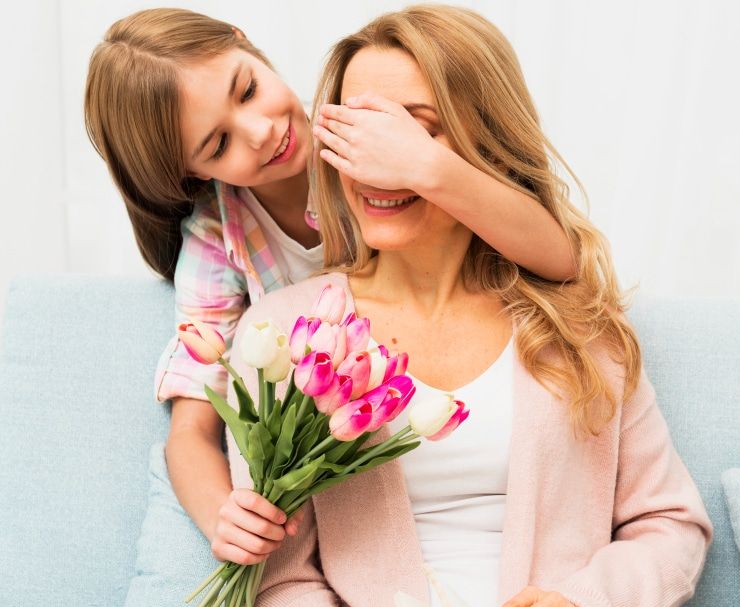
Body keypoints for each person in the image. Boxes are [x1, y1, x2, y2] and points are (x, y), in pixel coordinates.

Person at [225, 6, 712, 607]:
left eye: (414, 134)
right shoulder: (283, 336)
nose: (376, 164)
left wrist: (586, 605)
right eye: (356, 130)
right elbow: (274, 584)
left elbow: (670, 525)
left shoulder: (573, 324)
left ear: (480, 146)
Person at [83, 8, 577, 568]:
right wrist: (225, 516)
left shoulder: (364, 139)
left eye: (247, 89)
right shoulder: (219, 236)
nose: (262, 131)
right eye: (218, 145)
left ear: (247, 43)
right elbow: (191, 430)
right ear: (191, 175)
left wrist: (425, 165)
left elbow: (560, 258)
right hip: (353, 474)